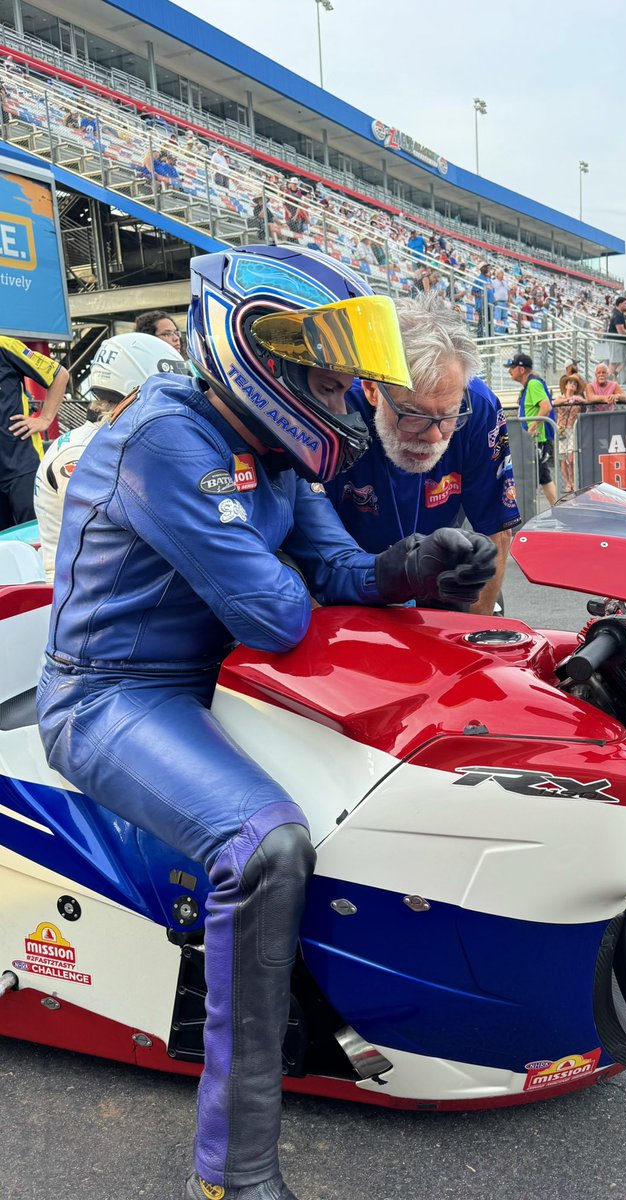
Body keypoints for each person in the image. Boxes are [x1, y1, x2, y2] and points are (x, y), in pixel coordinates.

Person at [36, 245, 496, 1200]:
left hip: (217, 686)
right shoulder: (169, 438)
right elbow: (279, 614)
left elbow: (339, 571)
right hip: (110, 696)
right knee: (266, 847)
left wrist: (419, 562)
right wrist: (299, 570)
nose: (341, 393)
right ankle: (231, 1170)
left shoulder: (273, 446)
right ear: (263, 353)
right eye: (327, 374)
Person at [322, 292, 519, 615]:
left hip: (442, 581)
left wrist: (474, 636)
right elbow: (311, 552)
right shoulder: (335, 411)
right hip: (349, 587)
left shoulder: (479, 408)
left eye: (449, 416)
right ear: (373, 389)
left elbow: (496, 531)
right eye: (413, 415)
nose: (434, 436)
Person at [34, 332, 188, 582]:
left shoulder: (112, 438)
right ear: (134, 388)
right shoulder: (80, 451)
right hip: (84, 588)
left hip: (119, 577)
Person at [0, 336, 69, 531]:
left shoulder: (5, 346)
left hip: (22, 464)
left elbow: (59, 374)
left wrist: (45, 419)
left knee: (38, 537)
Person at [506, 351, 556, 505]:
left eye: (512, 367)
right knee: (544, 477)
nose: (509, 371)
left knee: (531, 479)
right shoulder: (530, 384)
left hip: (536, 441)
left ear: (521, 370)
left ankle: (527, 514)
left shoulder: (533, 384)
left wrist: (532, 428)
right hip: (534, 440)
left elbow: (545, 407)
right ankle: (560, 509)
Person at [555, 375, 583, 493]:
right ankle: (567, 483)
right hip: (562, 430)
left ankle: (573, 481)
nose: (572, 385)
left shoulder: (578, 398)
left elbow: (585, 402)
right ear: (565, 386)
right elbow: (555, 403)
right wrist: (567, 400)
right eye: (570, 383)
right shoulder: (560, 397)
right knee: (563, 457)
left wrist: (578, 399)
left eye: (575, 384)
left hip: (572, 429)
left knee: (571, 458)